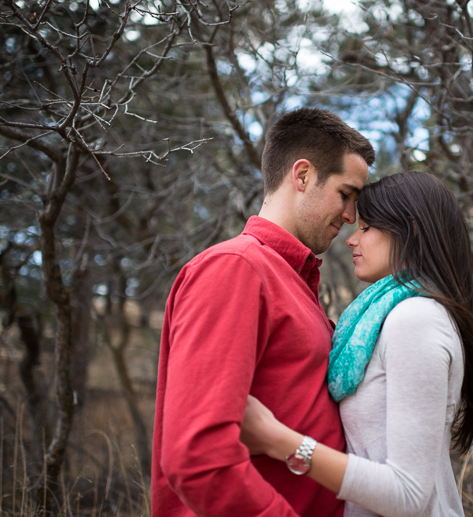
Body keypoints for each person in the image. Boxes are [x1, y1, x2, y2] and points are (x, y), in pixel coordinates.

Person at [151, 107, 376, 516]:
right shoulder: (235, 269)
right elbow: (199, 457)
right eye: (346, 194)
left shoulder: (292, 281)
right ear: (302, 176)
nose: (350, 216)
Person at [241, 171, 473, 517]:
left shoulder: (415, 319)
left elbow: (407, 494)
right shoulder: (386, 315)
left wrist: (276, 439)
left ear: (410, 230)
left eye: (366, 227)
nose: (351, 239)